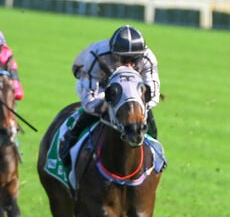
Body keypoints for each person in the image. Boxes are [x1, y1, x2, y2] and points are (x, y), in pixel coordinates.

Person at [62, 24, 160, 170]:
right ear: (113, 54)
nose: (128, 64)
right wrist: (103, 105)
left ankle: (156, 153)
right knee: (91, 113)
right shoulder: (97, 55)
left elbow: (152, 95)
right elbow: (89, 97)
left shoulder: (148, 58)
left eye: (134, 59)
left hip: (133, 88)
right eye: (123, 59)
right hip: (98, 83)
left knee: (146, 119)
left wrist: (139, 107)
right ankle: (70, 140)